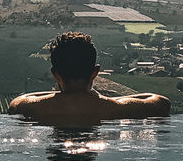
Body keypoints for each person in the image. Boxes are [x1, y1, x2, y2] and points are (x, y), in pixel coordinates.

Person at [9, 32, 171, 125]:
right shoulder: (115, 109)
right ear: (95, 72)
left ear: (55, 74)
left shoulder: (32, 108)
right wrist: (103, 98)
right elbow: (161, 102)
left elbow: (17, 103)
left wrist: (63, 95)